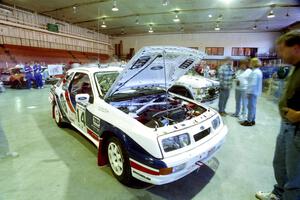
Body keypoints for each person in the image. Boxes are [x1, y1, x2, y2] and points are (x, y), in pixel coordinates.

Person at [255, 30, 300, 200]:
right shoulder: (295, 68)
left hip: (297, 130)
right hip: (287, 127)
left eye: (282, 50)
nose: (279, 54)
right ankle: (278, 194)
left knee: (295, 176)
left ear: (295, 48)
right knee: (280, 165)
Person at [240, 58, 263, 126]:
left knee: (250, 107)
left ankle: (249, 121)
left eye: (251, 62)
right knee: (253, 107)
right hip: (254, 92)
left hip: (252, 92)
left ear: (254, 63)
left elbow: (252, 84)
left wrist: (248, 93)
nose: (249, 63)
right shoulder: (257, 71)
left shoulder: (255, 72)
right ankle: (252, 120)